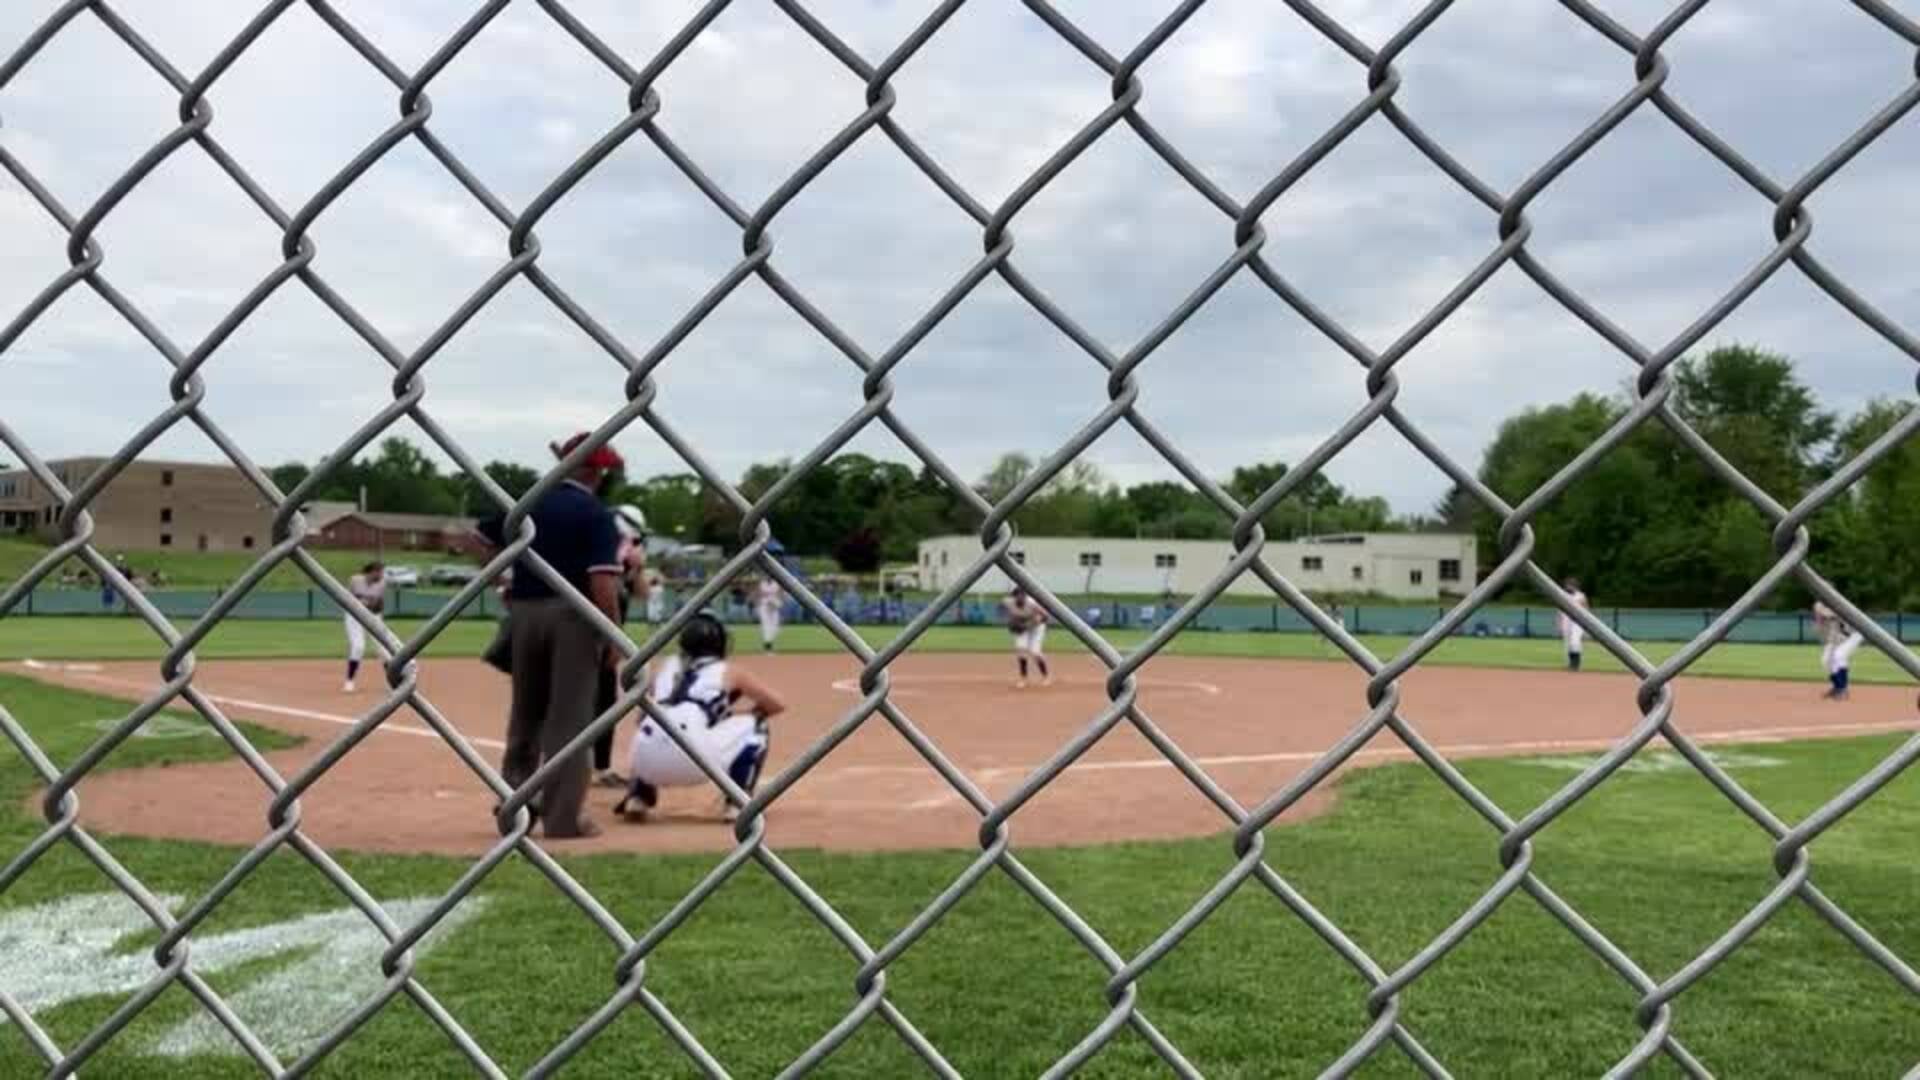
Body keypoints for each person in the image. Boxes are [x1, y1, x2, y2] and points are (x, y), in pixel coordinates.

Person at [476, 432, 626, 841]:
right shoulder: (595, 513)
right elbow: (602, 584)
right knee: (570, 720)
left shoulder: (529, 501)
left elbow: (483, 539)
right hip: (573, 616)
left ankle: (515, 809)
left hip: (524, 614)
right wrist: (612, 635)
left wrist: (505, 583)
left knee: (525, 715)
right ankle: (563, 820)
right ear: (595, 472)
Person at [616, 612, 785, 824]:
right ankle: (737, 803)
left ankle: (638, 797)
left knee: (650, 726)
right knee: (757, 725)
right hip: (696, 764)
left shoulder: (665, 666)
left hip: (645, 764)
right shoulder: (728, 670)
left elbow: (641, 717)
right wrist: (729, 714)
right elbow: (777, 705)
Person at [590, 505, 652, 789]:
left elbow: (643, 593)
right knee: (578, 703)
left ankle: (600, 768)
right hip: (590, 638)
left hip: (610, 643)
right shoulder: (597, 551)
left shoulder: (626, 559)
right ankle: (562, 765)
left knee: (605, 704)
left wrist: (636, 566)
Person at [341, 562, 387, 692]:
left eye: (382, 572)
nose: (381, 575)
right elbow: (348, 599)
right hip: (354, 616)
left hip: (373, 617)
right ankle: (349, 681)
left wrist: (369, 605)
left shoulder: (382, 583)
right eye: (378, 572)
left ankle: (392, 683)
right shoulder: (355, 580)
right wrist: (363, 603)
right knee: (358, 647)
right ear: (370, 572)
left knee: (383, 649)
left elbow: (379, 606)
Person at [1813, 600, 1864, 701]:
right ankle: (1837, 687)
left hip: (1853, 635)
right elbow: (1827, 634)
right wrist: (1819, 619)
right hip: (1839, 637)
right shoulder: (1822, 615)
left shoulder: (1836, 606)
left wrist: (1822, 613)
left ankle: (1843, 690)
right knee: (1825, 660)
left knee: (1839, 655)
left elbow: (1832, 616)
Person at [1002, 587, 1050, 688]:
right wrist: (1010, 620)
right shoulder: (1008, 602)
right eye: (1018, 596)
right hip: (1022, 628)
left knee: (1035, 652)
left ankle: (1045, 676)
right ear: (1014, 597)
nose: (1021, 598)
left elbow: (1045, 616)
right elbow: (1001, 609)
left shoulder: (1032, 604)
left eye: (1023, 595)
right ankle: (1023, 678)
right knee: (1020, 648)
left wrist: (1029, 624)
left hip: (1037, 628)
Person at [1557, 578, 1589, 672]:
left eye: (1570, 585)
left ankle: (1576, 664)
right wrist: (1559, 623)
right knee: (1567, 644)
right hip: (1566, 621)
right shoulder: (1562, 595)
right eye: (1567, 585)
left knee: (1575, 642)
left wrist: (1586, 624)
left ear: (1575, 586)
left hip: (1577, 622)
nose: (1568, 587)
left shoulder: (1581, 596)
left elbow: (1586, 609)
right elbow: (1559, 610)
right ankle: (1571, 664)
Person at [754, 576, 784, 652]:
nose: (768, 577)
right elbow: (758, 594)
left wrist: (779, 603)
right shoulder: (762, 583)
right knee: (766, 624)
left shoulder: (776, 583)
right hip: (764, 606)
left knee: (775, 626)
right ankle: (767, 644)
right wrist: (758, 604)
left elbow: (780, 594)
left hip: (775, 605)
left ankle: (769, 641)